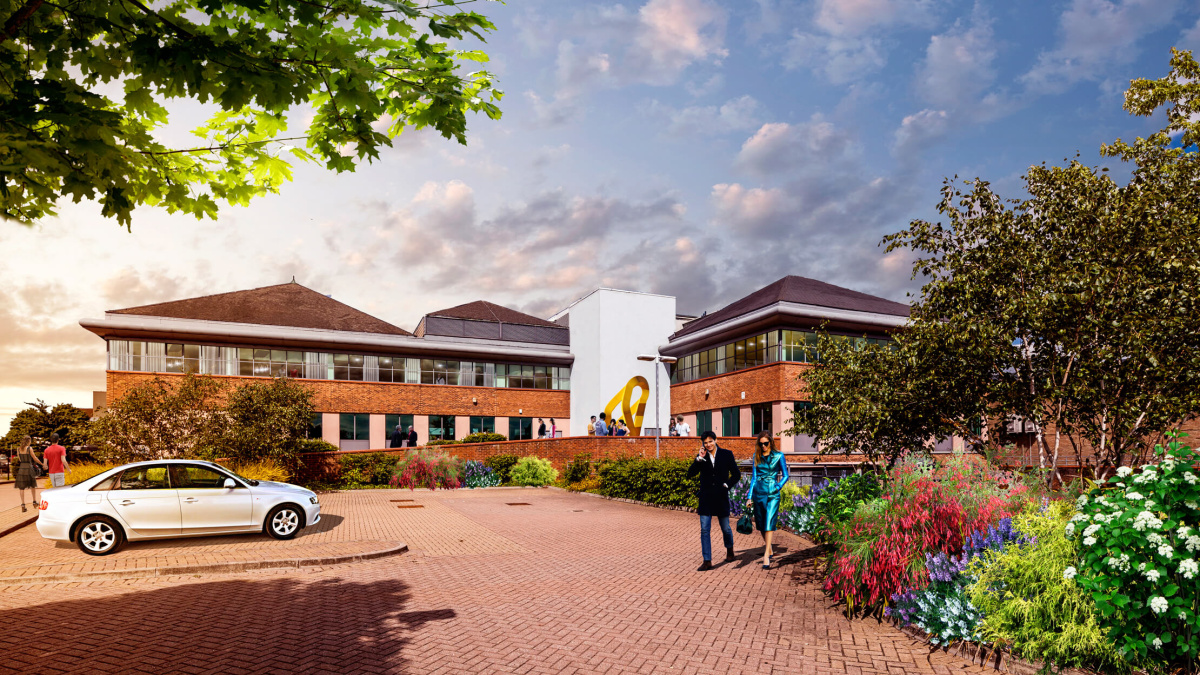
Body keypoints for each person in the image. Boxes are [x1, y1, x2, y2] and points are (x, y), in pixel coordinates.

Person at [687, 430, 741, 571]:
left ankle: (729, 549)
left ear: (715, 440)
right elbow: (690, 473)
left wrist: (727, 485)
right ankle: (707, 560)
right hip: (705, 498)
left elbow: (736, 474)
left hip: (721, 496)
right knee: (705, 529)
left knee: (726, 528)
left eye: (711, 441)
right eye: (706, 442)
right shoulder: (702, 457)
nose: (708, 444)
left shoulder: (726, 454)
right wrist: (698, 459)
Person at [745, 431, 789, 569]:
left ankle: (766, 555)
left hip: (772, 493)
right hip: (758, 492)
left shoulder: (779, 455)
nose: (763, 446)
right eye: (761, 443)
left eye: (766, 443)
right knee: (761, 523)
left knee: (769, 520)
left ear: (771, 442)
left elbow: (786, 475)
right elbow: (753, 477)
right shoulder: (756, 456)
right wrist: (749, 496)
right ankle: (769, 548)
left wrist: (778, 486)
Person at [14, 436, 40, 512]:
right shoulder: (29, 448)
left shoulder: (19, 449)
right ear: (29, 441)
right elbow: (35, 458)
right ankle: (34, 502)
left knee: (21, 487)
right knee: (32, 485)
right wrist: (41, 463)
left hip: (22, 469)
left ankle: (23, 504)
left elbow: (19, 459)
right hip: (29, 468)